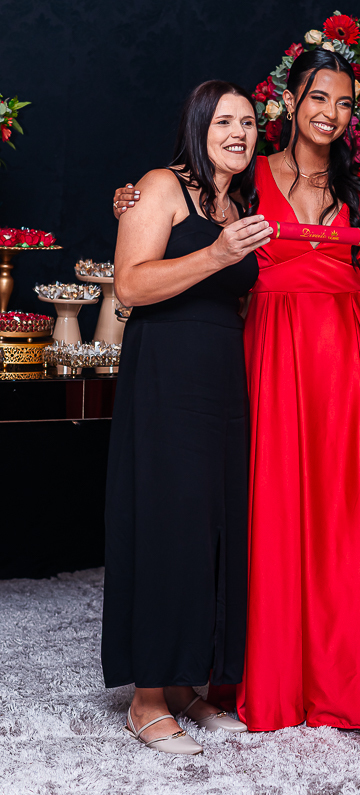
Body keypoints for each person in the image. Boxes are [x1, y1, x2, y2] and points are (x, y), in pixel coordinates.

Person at [113, 50, 360, 739]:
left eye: (345, 103)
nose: (331, 113)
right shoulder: (249, 178)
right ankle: (258, 676)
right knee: (271, 524)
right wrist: (131, 200)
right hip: (272, 357)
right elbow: (190, 205)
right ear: (292, 102)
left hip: (353, 351)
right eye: (319, 98)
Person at [103, 79, 272, 755]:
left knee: (211, 530)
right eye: (225, 121)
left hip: (221, 382)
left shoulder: (238, 203)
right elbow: (130, 284)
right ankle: (146, 699)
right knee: (167, 529)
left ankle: (184, 684)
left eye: (249, 123)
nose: (239, 133)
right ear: (199, 126)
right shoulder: (161, 186)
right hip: (165, 380)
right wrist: (216, 254)